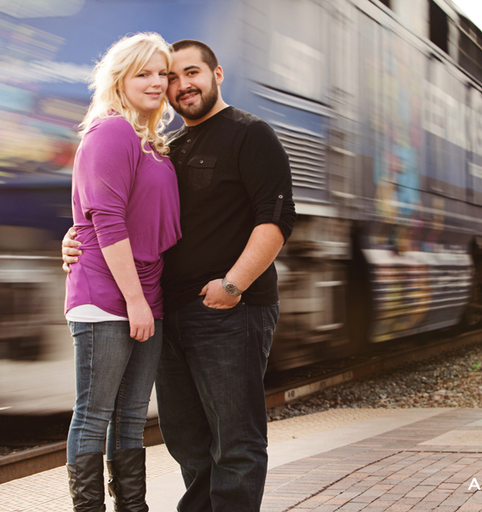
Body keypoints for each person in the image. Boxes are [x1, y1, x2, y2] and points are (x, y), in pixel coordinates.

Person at [64, 39, 296, 512]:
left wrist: (233, 286)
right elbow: (115, 210)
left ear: (217, 74)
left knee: (235, 441)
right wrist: (74, 238)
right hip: (165, 310)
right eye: (170, 76)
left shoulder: (250, 134)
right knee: (186, 438)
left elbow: (274, 222)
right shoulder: (163, 144)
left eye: (191, 73)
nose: (177, 84)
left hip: (226, 312)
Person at [63, 32, 181, 512]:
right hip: (107, 295)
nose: (156, 83)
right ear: (119, 79)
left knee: (131, 417)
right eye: (143, 73)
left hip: (143, 291)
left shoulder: (150, 141)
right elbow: (104, 219)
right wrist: (134, 301)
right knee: (94, 415)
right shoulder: (110, 131)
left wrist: (143, 299)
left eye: (162, 74)